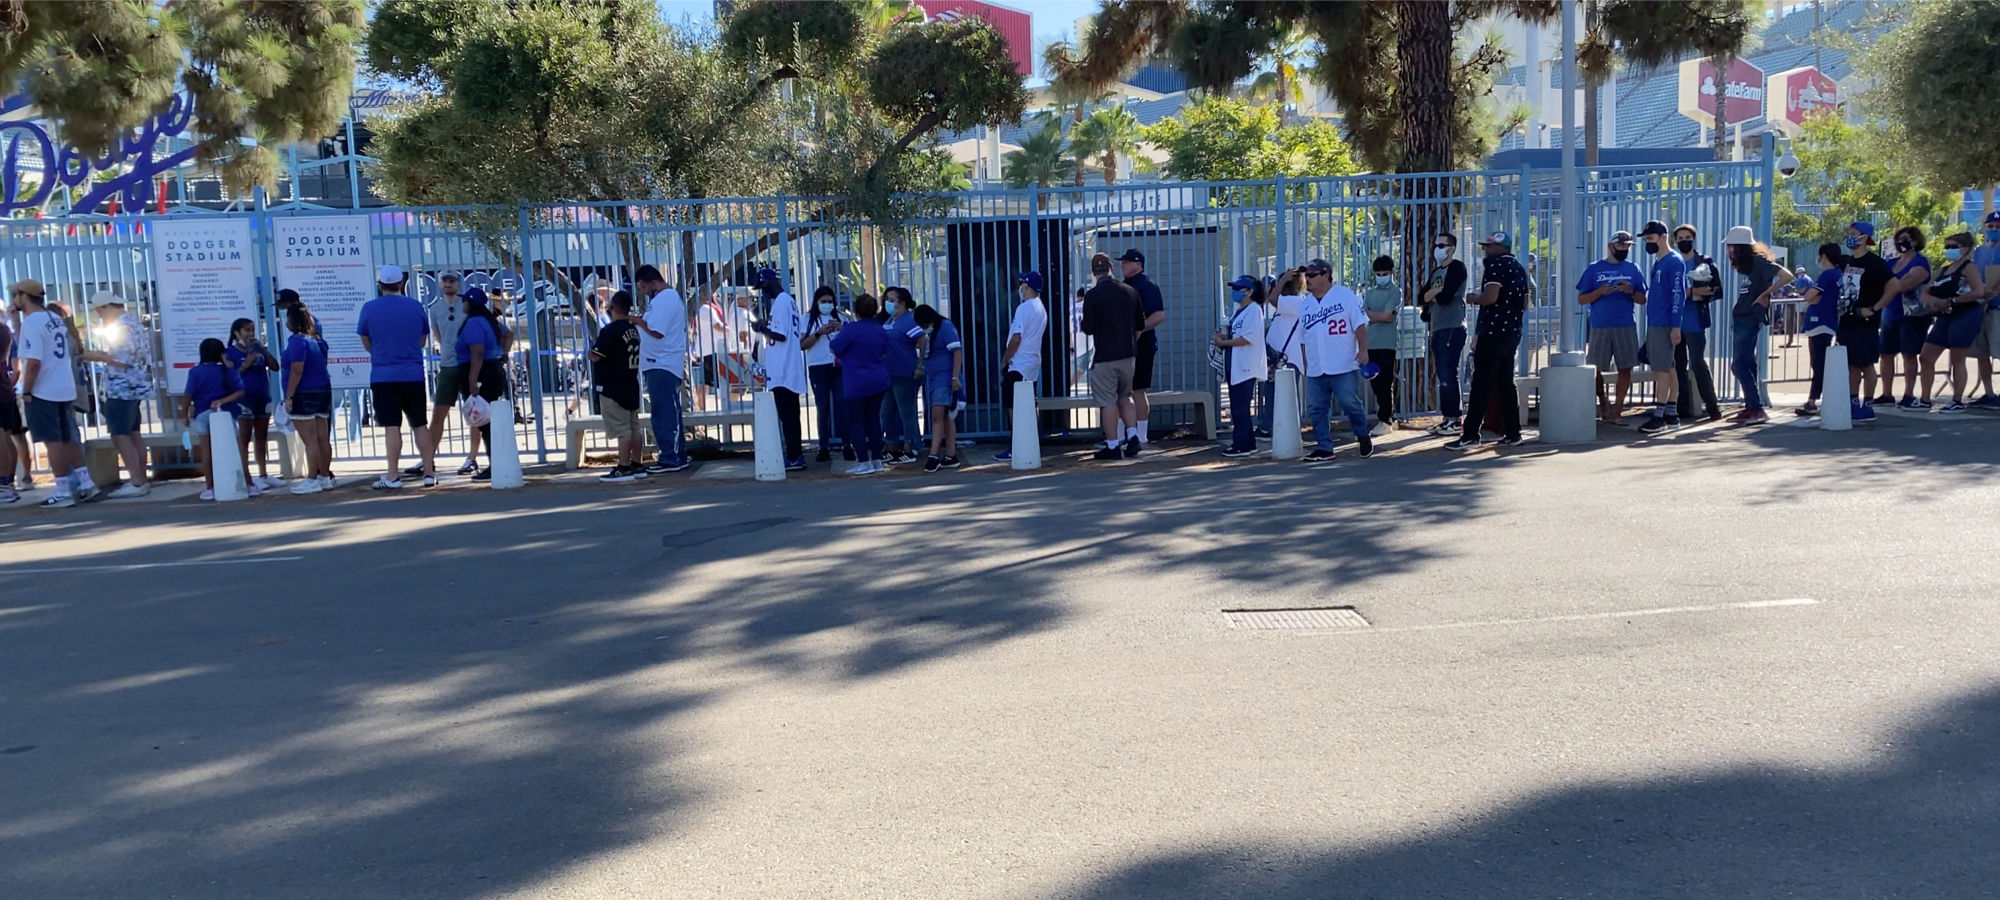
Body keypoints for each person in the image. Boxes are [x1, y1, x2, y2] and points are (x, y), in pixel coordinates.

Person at [10, 279, 98, 507]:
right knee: (67, 438)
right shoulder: (54, 319)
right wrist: (15, 321)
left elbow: (33, 362)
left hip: (44, 390)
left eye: (16, 295)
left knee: (53, 442)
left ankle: (62, 490)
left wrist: (27, 390)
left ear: (24, 297)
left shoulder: (33, 322)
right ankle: (86, 483)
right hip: (63, 387)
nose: (14, 299)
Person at [356, 264, 435, 489]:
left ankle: (393, 476)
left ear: (380, 284)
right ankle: (429, 473)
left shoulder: (369, 308)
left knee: (392, 426)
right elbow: (422, 339)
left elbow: (365, 340)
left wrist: (381, 353)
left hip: (383, 375)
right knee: (420, 424)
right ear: (401, 284)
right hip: (413, 374)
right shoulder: (415, 306)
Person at [1451, 232, 1531, 448]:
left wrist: (1473, 298)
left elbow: (1491, 297)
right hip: (1512, 332)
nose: (1485, 250)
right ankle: (1513, 433)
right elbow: (1526, 302)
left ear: (1500, 248)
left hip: (1494, 332)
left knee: (1481, 384)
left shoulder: (1495, 266)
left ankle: (1470, 435)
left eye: (1489, 246)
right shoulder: (1519, 268)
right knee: (1506, 383)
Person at [78, 292, 155, 498]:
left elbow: (120, 358)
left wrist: (89, 355)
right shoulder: (134, 323)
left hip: (121, 388)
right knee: (133, 433)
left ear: (105, 307)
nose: (98, 315)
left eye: (99, 310)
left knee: (120, 434)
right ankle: (141, 478)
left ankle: (137, 481)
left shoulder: (122, 326)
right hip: (134, 387)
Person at [1297, 258, 1372, 462]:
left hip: (1343, 363)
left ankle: (1362, 434)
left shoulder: (1345, 296)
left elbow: (1360, 325)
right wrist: (1305, 363)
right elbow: (1303, 337)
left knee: (1349, 401)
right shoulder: (1305, 305)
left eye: (1312, 275)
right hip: (1316, 367)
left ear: (1326, 275)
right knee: (1317, 408)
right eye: (1306, 275)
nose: (1307, 279)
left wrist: (1363, 350)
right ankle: (1324, 447)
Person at [413, 271, 481, 480]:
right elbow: (438, 336)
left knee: (474, 413)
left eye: (452, 280)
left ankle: (472, 457)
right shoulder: (435, 309)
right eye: (444, 280)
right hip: (447, 365)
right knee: (438, 414)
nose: (448, 284)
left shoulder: (468, 305)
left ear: (459, 284)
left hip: (468, 364)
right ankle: (428, 458)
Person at [1576, 230, 1647, 423]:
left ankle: (1618, 409)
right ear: (1611, 246)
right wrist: (1599, 291)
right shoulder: (1594, 269)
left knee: (1626, 367)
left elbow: (1642, 299)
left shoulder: (1633, 269)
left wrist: (1630, 290)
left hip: (1625, 324)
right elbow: (1581, 299)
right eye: (1621, 246)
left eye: (1628, 246)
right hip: (1600, 325)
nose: (1625, 249)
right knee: (1595, 368)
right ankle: (1603, 401)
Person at [1081, 252, 1144, 461]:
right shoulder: (1130, 291)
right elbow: (1140, 325)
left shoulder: (1092, 296)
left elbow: (1088, 328)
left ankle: (1113, 444)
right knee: (1125, 397)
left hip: (1105, 356)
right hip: (1128, 355)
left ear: (1094, 272)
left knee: (1107, 401)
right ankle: (1133, 435)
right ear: (1112, 268)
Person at [1722, 226, 1786, 425]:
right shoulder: (1752, 267)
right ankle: (1752, 406)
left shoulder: (1760, 262)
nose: (1730, 251)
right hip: (1744, 317)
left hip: (1749, 318)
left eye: (1733, 246)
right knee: (1747, 364)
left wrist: (1766, 294)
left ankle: (1756, 408)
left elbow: (1786, 276)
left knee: (1739, 365)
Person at [631, 265, 690, 474]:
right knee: (670, 411)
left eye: (643, 287)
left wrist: (637, 321)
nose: (643, 292)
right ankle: (677, 455)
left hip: (661, 362)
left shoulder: (665, 299)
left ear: (652, 283)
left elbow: (657, 331)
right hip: (662, 362)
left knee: (663, 412)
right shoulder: (665, 299)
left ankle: (670, 457)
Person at [1836, 221, 1897, 423]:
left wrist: (1874, 308)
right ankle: (1853, 402)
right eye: (1849, 233)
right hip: (1847, 319)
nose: (1850, 237)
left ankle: (1868, 404)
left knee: (1866, 364)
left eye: (1854, 233)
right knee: (1852, 364)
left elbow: (1894, 286)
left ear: (1865, 237)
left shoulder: (1876, 264)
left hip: (1866, 321)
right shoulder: (1847, 262)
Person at [1918, 232, 1986, 413]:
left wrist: (1953, 301)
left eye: (1954, 247)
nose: (1949, 250)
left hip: (1965, 315)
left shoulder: (1968, 267)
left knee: (1957, 358)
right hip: (1943, 316)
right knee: (1926, 357)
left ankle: (1957, 400)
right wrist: (1935, 302)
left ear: (1965, 249)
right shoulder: (1942, 270)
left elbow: (1978, 291)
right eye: (1947, 246)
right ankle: (1925, 398)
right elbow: (1925, 292)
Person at [751, 267, 808, 471]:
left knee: (788, 417)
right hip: (786, 367)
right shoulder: (787, 302)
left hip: (783, 369)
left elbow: (781, 335)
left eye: (761, 287)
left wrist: (762, 329)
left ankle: (794, 456)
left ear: (767, 284)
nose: (761, 292)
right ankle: (795, 454)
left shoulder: (781, 302)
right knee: (790, 415)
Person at [829, 292, 889, 475]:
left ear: (856, 311)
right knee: (874, 421)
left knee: (856, 423)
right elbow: (884, 351)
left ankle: (863, 461)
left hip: (856, 381)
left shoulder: (851, 329)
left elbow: (835, 347)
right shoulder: (880, 329)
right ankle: (877, 460)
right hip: (878, 380)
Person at [1635, 221, 1686, 434]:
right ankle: (1671, 414)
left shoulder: (1673, 262)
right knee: (1668, 367)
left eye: (1650, 238)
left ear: (1663, 237)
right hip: (1656, 322)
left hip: (1663, 323)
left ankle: (1660, 416)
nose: (1648, 243)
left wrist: (1675, 326)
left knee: (1661, 370)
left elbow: (1678, 295)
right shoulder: (1659, 262)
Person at [588, 290, 645, 482]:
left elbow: (596, 355)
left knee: (622, 430)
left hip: (612, 386)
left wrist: (591, 353)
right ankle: (637, 464)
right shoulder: (632, 329)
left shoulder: (610, 330)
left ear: (613, 307)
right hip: (630, 383)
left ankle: (624, 467)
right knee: (634, 426)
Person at [179, 337, 245, 501]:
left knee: (207, 453)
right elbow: (240, 390)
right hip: (224, 414)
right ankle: (243, 482)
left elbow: (187, 396)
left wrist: (184, 415)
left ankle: (210, 487)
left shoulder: (195, 371)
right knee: (235, 450)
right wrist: (223, 401)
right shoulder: (226, 370)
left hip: (202, 414)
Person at [223, 316, 283, 495]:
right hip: (243, 400)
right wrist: (246, 364)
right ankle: (246, 476)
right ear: (237, 333)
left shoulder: (257, 349)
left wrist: (263, 350)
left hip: (262, 397)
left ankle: (263, 474)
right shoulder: (230, 352)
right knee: (244, 437)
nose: (250, 334)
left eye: (252, 330)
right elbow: (231, 377)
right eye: (246, 330)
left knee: (261, 436)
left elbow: (275, 366)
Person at [994, 271, 1049, 463]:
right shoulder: (1040, 308)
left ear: (1027, 286)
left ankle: (1016, 446)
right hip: (1031, 364)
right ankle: (1030, 441)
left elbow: (1017, 338)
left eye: (1021, 283)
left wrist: (1005, 359)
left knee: (1013, 408)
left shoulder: (1024, 308)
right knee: (1028, 406)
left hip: (1018, 364)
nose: (1020, 287)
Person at [455, 287, 511, 474]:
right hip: (491, 371)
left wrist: (472, 381)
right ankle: (495, 463)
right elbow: (508, 333)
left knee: (485, 422)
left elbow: (476, 353)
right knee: (486, 421)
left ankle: (495, 465)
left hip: (481, 374)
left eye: (464, 300)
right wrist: (503, 353)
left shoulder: (474, 323)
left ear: (470, 303)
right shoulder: (489, 320)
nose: (462, 303)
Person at [281, 305, 335, 493]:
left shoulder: (297, 341)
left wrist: (289, 396)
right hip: (323, 390)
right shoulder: (318, 341)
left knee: (310, 440)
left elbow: (297, 369)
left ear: (292, 320)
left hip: (304, 393)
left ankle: (311, 480)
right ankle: (324, 477)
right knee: (322, 438)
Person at [1421, 233, 1470, 435]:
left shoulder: (1457, 268)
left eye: (1442, 245)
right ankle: (1447, 417)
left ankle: (1455, 419)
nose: (1437, 248)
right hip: (1437, 327)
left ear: (1451, 248)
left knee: (1449, 374)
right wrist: (1432, 293)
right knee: (1442, 375)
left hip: (1453, 327)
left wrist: (1432, 295)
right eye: (1436, 244)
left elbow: (1446, 296)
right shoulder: (1436, 272)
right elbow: (1421, 297)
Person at [1673, 223, 1722, 424]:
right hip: (1674, 322)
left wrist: (1694, 292)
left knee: (1697, 363)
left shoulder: (1704, 261)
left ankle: (1712, 407)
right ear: (1675, 241)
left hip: (1695, 322)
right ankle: (1682, 409)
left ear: (1693, 238)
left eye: (1688, 237)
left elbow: (1717, 289)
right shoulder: (1671, 261)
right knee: (1677, 366)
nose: (1684, 241)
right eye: (1680, 238)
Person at [1215, 274, 1267, 457]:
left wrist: (1224, 343)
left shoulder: (1254, 310)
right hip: (1234, 365)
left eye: (1239, 289)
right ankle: (1246, 442)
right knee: (1237, 407)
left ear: (1250, 292)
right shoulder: (1239, 312)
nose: (1235, 292)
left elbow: (1247, 338)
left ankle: (1242, 444)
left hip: (1245, 366)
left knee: (1240, 408)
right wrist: (1220, 337)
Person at [1118, 248, 1166, 445]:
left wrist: (1138, 329)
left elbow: (1159, 315)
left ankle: (1142, 434)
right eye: (1123, 262)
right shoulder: (1123, 285)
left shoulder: (1147, 285)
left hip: (1143, 346)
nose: (1124, 265)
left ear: (1139, 264)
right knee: (1122, 391)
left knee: (1137, 390)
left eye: (1128, 262)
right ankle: (1121, 435)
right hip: (1123, 347)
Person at [1883, 226, 1934, 409]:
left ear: (1915, 241)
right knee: (1886, 354)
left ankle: (1909, 394)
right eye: (1898, 239)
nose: (1901, 243)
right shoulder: (1890, 262)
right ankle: (1886, 394)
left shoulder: (1921, 262)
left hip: (1913, 316)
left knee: (1909, 355)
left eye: (1906, 239)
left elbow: (1904, 285)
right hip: (1890, 312)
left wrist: (1890, 284)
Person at [1792, 243, 1845, 417]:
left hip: (1820, 322)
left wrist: (1814, 297)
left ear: (1824, 256)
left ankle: (1813, 400)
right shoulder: (1837, 275)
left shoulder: (1827, 275)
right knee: (1819, 363)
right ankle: (1814, 399)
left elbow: (1809, 296)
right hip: (1825, 322)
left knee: (1818, 364)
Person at [912, 304, 963, 472]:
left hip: (944, 378)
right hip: (934, 379)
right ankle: (950, 454)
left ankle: (934, 455)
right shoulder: (930, 332)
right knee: (947, 418)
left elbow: (957, 352)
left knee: (937, 416)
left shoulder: (946, 327)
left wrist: (955, 377)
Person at [800, 285, 848, 463]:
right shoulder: (808, 319)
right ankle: (824, 446)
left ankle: (847, 444)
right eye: (823, 302)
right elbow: (802, 344)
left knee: (843, 404)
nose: (827, 304)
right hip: (818, 366)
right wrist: (819, 333)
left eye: (830, 301)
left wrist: (841, 329)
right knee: (823, 407)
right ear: (817, 302)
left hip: (838, 366)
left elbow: (850, 340)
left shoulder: (841, 317)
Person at [1260, 269, 1308, 436]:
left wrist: (1283, 280)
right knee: (1272, 394)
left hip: (1289, 359)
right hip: (1278, 359)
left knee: (1285, 396)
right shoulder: (1289, 304)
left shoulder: (1295, 302)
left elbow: (1272, 299)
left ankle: (1283, 430)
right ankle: (1269, 427)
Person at [879, 286, 924, 464]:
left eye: (892, 299)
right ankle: (891, 445)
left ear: (902, 302)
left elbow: (922, 340)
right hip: (888, 373)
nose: (888, 302)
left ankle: (910, 446)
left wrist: (920, 365)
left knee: (907, 412)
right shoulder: (889, 320)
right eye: (886, 299)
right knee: (886, 412)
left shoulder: (909, 320)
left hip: (905, 373)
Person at [1361, 255, 1402, 435]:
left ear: (1391, 273)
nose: (1381, 276)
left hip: (1387, 343)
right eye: (1378, 273)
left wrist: (1372, 314)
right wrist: (1378, 316)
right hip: (1371, 343)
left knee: (1385, 382)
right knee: (1375, 383)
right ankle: (1385, 419)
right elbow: (1367, 315)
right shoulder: (1369, 293)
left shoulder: (1395, 291)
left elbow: (1386, 316)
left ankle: (1386, 419)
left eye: (1385, 273)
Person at [1970, 212, 2000, 406]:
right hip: (1980, 308)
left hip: (1998, 308)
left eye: (1998, 227)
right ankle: (1988, 392)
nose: (1994, 230)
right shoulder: (1978, 252)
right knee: (1981, 353)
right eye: (1990, 226)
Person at [692, 288, 729, 411]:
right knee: (712, 382)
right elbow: (717, 325)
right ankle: (703, 409)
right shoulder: (707, 309)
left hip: (707, 349)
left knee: (706, 382)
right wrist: (732, 332)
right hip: (711, 349)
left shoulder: (704, 309)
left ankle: (702, 409)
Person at [0, 310, 19, 504]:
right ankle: (9, 483)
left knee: (2, 437)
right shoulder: (5, 330)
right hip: (5, 389)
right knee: (6, 436)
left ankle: (4, 484)